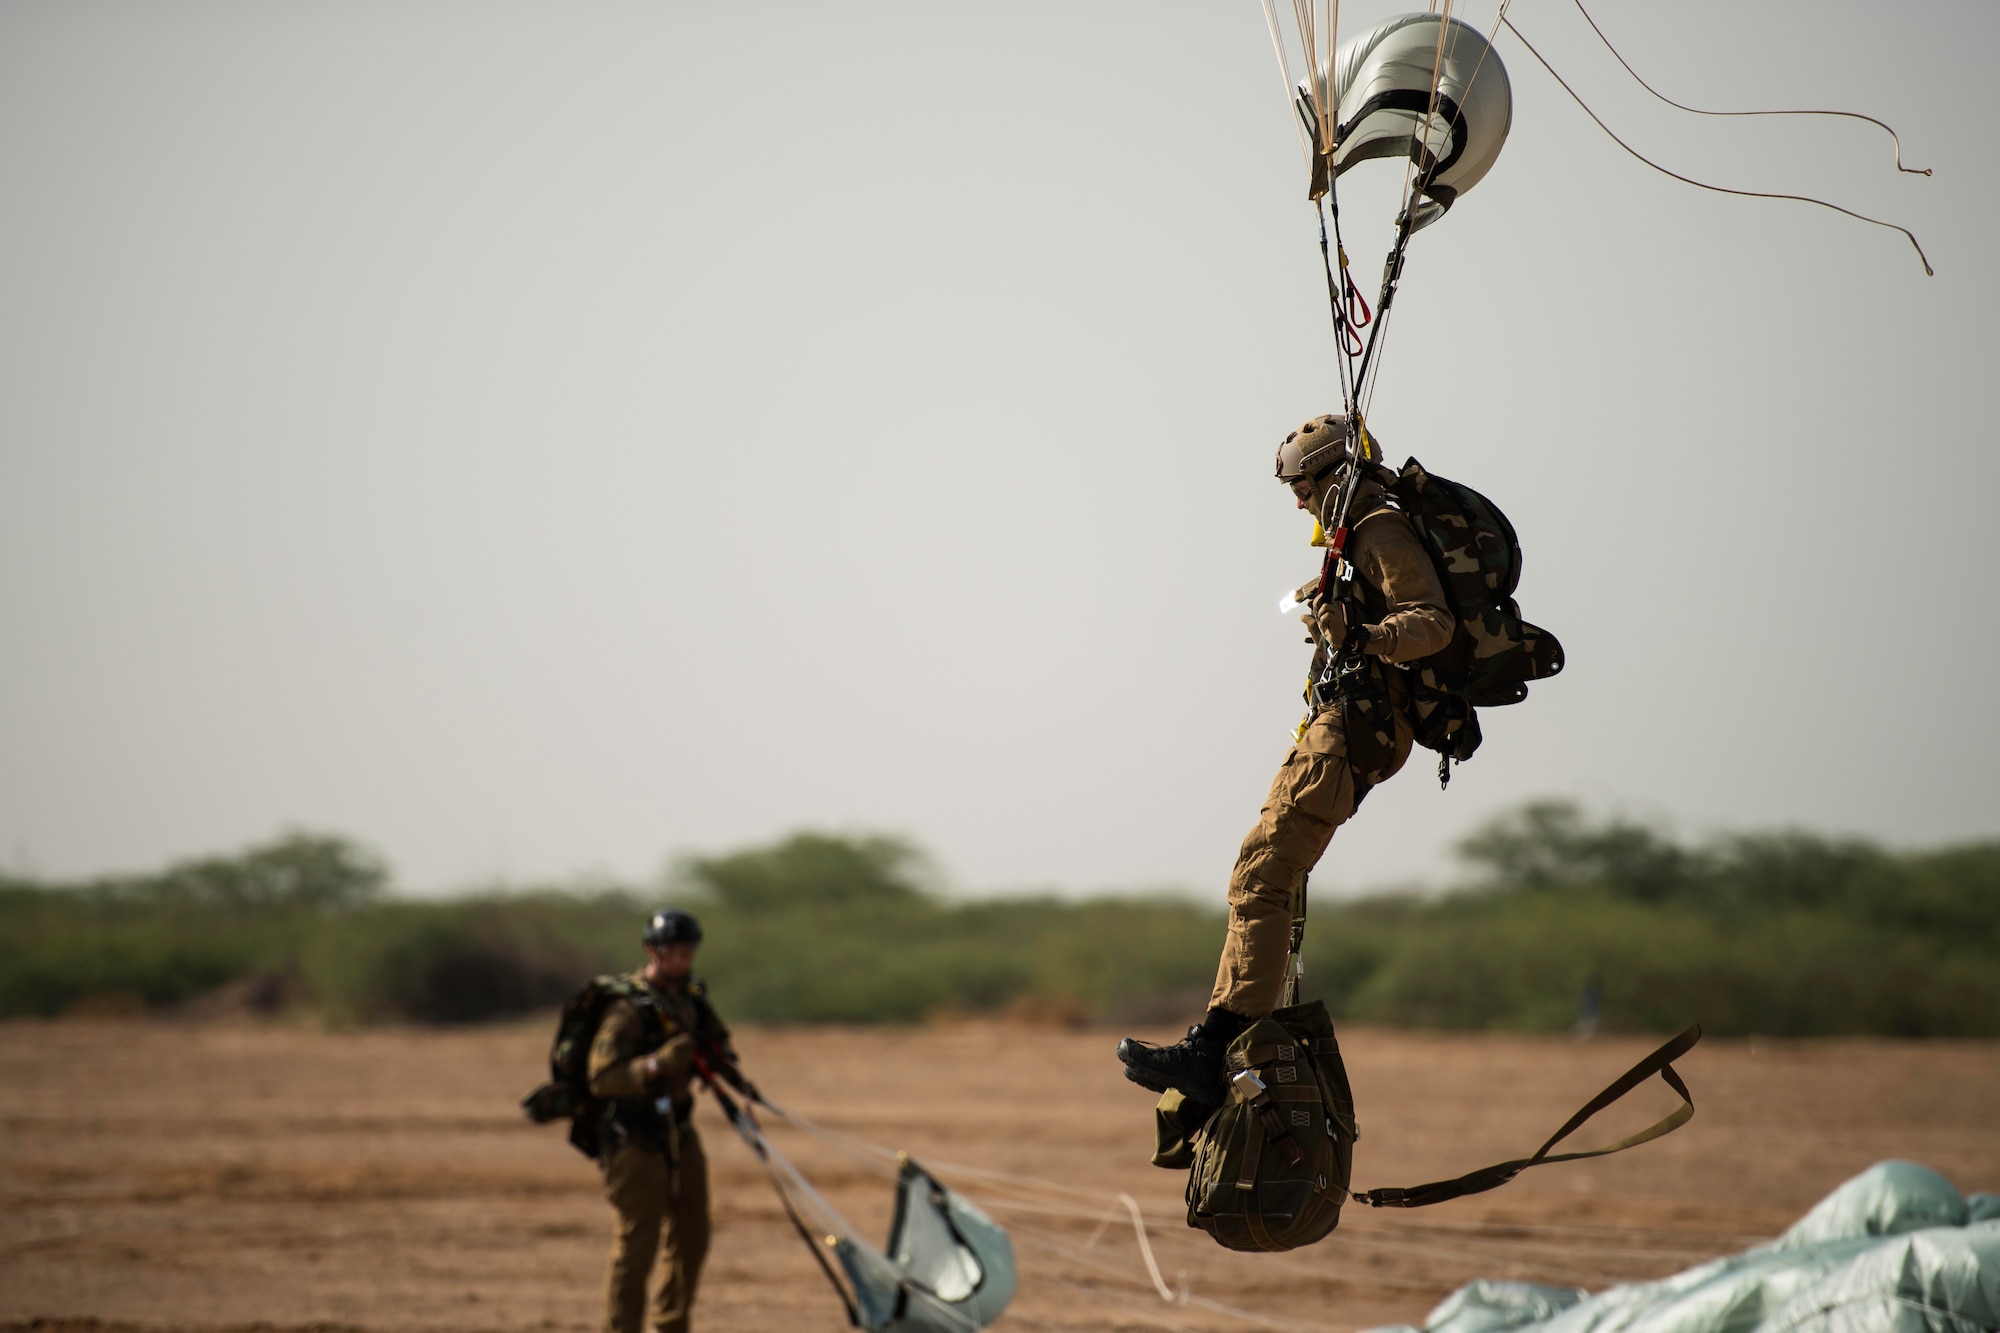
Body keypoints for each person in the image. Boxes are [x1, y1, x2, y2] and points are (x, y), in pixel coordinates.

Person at [1118, 413, 1453, 1106]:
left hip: (1356, 730)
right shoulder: (1351, 541)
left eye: (1303, 485)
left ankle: (1219, 1047)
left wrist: (1363, 635)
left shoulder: (1379, 529)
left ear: (1334, 477)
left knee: (1265, 875)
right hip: (1335, 725)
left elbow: (1431, 621)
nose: (1298, 500)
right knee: (1255, 874)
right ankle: (1216, 1040)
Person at [589, 908, 733, 1333]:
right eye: (673, 952)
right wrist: (654, 1066)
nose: (682, 960)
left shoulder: (689, 1000)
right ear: (653, 952)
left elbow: (716, 1043)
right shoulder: (626, 1009)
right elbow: (601, 1077)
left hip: (680, 1135)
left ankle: (671, 1325)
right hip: (634, 1141)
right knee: (637, 1247)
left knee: (692, 1239)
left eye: (688, 952)